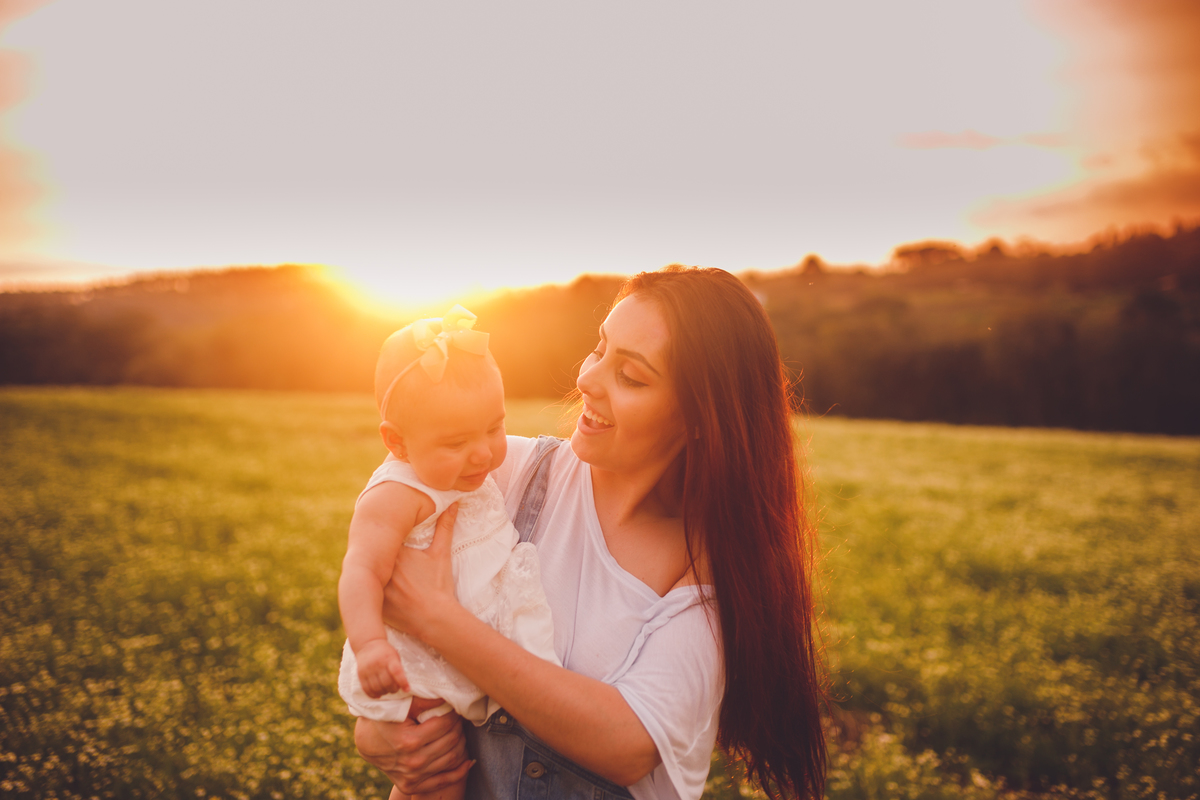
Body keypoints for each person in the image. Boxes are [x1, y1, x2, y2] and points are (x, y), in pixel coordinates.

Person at [355, 267, 827, 800]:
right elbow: (383, 536)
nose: (587, 379)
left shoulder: (711, 577)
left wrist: (439, 618)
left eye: (631, 376)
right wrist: (379, 727)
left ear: (700, 416)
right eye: (599, 349)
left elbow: (625, 743)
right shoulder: (499, 469)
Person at [337, 305, 560, 800]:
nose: (483, 453)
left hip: (458, 647)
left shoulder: (463, 474)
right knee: (436, 774)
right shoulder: (396, 492)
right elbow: (361, 569)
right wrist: (371, 643)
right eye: (457, 441)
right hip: (414, 667)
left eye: (493, 428)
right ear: (397, 442)